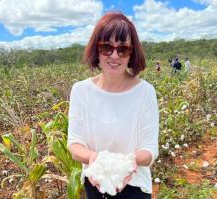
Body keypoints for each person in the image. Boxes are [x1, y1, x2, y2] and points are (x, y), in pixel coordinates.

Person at [67, 11, 159, 199]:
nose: (114, 55)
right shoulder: (80, 90)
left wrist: (127, 163)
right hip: (95, 184)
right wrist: (94, 159)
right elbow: (75, 144)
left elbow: (149, 151)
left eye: (122, 49)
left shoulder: (145, 92)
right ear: (96, 50)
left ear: (131, 52)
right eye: (106, 47)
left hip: (135, 187)